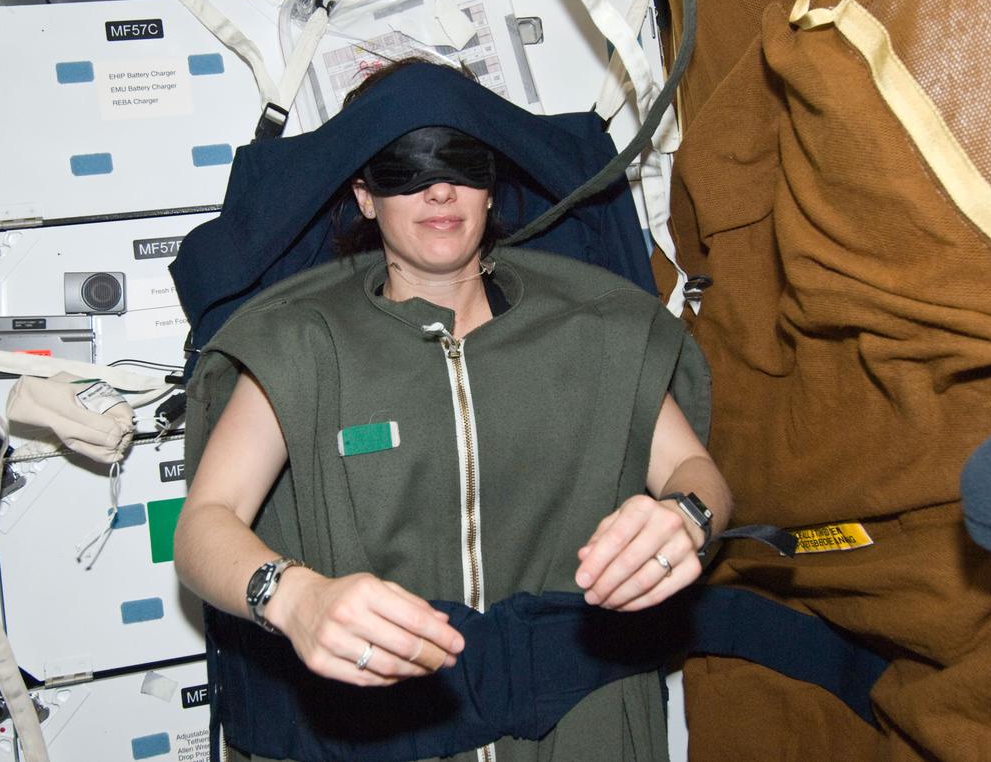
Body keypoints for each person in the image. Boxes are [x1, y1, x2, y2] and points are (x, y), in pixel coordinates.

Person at [174, 60, 733, 762]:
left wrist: (686, 517)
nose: (439, 187)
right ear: (364, 194)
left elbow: (692, 469)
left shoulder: (596, 329)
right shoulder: (301, 345)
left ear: (492, 187)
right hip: (378, 731)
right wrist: (291, 597)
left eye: (461, 161)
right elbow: (203, 525)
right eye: (404, 166)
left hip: (584, 722)